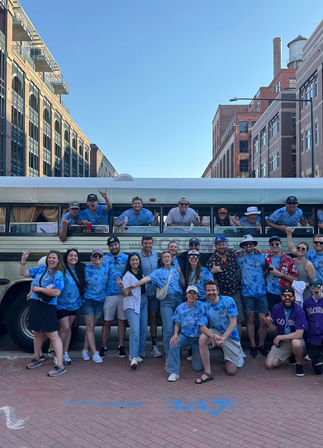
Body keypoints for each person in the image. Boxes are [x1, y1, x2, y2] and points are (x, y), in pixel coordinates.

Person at [19, 250, 66, 377]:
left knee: (53, 335)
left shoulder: (58, 274)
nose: (51, 260)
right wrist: (23, 260)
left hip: (48, 306)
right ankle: (36, 358)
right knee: (36, 333)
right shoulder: (40, 270)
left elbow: (56, 292)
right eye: (49, 258)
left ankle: (60, 365)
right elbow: (23, 273)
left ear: (58, 260)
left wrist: (39, 289)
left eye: (53, 258)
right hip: (35, 304)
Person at [130, 250, 185, 358]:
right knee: (168, 328)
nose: (166, 258)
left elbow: (182, 284)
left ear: (172, 259)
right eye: (164, 257)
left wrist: (181, 274)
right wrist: (135, 285)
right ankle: (169, 354)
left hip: (179, 301)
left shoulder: (176, 270)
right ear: (162, 260)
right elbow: (146, 278)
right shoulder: (158, 272)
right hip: (166, 302)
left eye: (168, 257)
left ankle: (176, 351)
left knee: (179, 327)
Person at [195, 280, 243, 383]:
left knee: (231, 371)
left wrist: (223, 338)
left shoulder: (228, 301)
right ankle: (208, 372)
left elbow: (233, 323)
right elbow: (202, 327)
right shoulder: (204, 305)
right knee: (202, 338)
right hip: (216, 332)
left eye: (213, 290)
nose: (211, 292)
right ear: (205, 292)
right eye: (208, 290)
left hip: (230, 336)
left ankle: (233, 354)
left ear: (218, 291)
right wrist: (213, 336)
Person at [206, 236, 244, 339]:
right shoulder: (212, 260)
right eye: (219, 245)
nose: (221, 246)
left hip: (235, 292)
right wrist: (212, 271)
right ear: (215, 246)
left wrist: (255, 249)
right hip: (222, 295)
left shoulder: (232, 254)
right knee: (223, 321)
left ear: (226, 244)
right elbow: (207, 279)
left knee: (237, 320)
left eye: (223, 244)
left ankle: (238, 345)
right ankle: (224, 345)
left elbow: (245, 251)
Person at [237, 235, 268, 358]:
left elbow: (275, 252)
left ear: (254, 245)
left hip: (261, 292)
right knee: (249, 319)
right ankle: (253, 345)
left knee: (262, 320)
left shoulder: (261, 255)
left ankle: (261, 345)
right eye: (245, 244)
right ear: (243, 246)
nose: (248, 246)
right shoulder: (239, 257)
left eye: (250, 244)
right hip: (247, 293)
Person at [265, 287, 307, 377]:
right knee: (270, 365)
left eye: (290, 296)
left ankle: (299, 364)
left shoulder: (299, 310)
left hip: (297, 340)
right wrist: (269, 324)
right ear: (281, 297)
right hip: (284, 342)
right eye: (285, 295)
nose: (287, 298)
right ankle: (291, 354)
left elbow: (299, 334)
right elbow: (273, 330)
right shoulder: (276, 308)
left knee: (296, 343)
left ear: (294, 297)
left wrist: (279, 337)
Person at [166, 286, 204, 382]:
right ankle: (174, 372)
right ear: (186, 294)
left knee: (197, 368)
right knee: (173, 343)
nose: (191, 295)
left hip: (198, 339)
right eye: (189, 293)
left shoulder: (202, 306)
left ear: (197, 296)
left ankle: (196, 357)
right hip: (185, 336)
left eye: (194, 293)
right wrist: (175, 334)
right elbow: (177, 323)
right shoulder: (180, 307)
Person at [117, 253, 147, 369]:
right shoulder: (127, 276)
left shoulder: (142, 274)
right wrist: (121, 287)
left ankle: (138, 352)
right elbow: (124, 294)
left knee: (143, 329)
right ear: (129, 262)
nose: (135, 262)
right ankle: (133, 357)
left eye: (137, 260)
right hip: (132, 305)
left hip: (143, 303)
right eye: (133, 260)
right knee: (135, 330)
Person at [100, 237, 128, 358]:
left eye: (115, 244)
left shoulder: (126, 258)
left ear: (119, 245)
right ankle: (103, 345)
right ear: (109, 247)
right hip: (109, 294)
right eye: (111, 245)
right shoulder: (104, 259)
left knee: (122, 321)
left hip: (122, 294)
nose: (114, 247)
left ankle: (121, 346)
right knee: (107, 321)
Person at [81, 248, 109, 363]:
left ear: (102, 258)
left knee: (91, 327)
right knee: (90, 326)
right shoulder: (86, 269)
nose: (97, 258)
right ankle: (95, 353)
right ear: (91, 258)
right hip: (88, 301)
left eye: (99, 256)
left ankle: (84, 350)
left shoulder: (106, 267)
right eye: (95, 256)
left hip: (100, 302)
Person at [58, 249, 85, 364]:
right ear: (66, 257)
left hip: (74, 303)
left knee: (69, 328)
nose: (73, 257)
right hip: (62, 303)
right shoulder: (61, 269)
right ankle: (57, 354)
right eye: (71, 255)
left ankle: (65, 352)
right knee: (64, 328)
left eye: (75, 256)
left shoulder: (80, 270)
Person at [139, 236, 161, 357]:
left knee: (153, 318)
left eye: (150, 243)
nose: (148, 245)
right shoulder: (138, 256)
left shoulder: (155, 255)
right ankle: (140, 348)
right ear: (142, 244)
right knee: (141, 320)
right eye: (145, 243)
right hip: (142, 293)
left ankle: (154, 346)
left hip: (154, 293)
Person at [264, 235, 297, 310]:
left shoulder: (289, 259)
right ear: (269, 246)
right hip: (270, 293)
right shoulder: (266, 257)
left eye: (277, 244)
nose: (275, 246)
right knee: (272, 316)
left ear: (281, 245)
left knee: (285, 315)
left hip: (285, 293)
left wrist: (280, 274)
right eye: (272, 244)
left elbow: (295, 278)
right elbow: (253, 251)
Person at [286, 228, 316, 300]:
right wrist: (289, 234)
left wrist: (301, 285)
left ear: (306, 252)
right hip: (292, 293)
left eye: (303, 249)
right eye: (298, 248)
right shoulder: (291, 261)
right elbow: (290, 248)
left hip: (304, 294)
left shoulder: (308, 264)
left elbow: (313, 282)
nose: (300, 250)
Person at [303, 278, 323, 375]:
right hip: (313, 338)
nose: (316, 288)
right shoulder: (306, 302)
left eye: (318, 285)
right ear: (310, 288)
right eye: (312, 286)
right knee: (318, 371)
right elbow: (305, 319)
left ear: (322, 287)